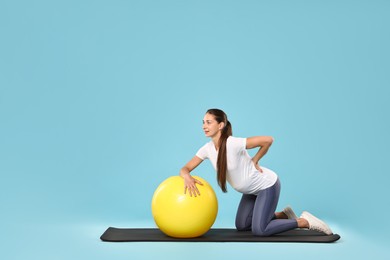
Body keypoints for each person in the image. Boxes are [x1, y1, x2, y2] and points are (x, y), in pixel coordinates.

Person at [179, 108, 333, 236]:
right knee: (242, 225)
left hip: (267, 186)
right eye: (203, 122)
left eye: (208, 122)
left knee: (260, 229)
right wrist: (187, 177)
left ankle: (303, 221)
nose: (204, 126)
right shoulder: (207, 149)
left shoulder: (233, 143)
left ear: (221, 125)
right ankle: (283, 215)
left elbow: (268, 140)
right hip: (251, 190)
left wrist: (255, 160)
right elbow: (185, 169)